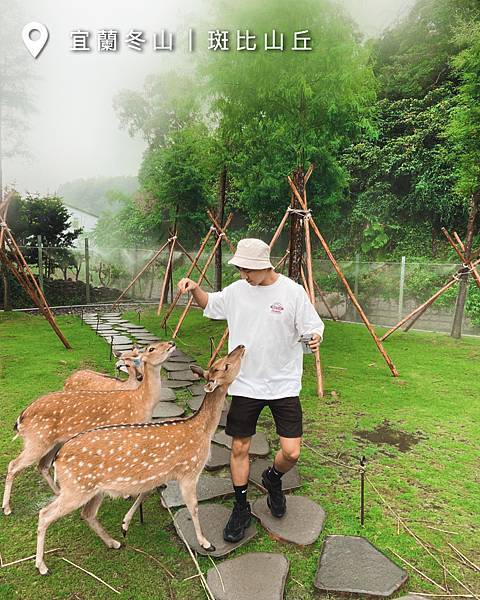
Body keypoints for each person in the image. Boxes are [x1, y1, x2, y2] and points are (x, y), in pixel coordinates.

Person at [178, 238, 324, 542]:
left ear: (264, 266)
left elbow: (314, 326)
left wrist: (314, 338)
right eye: (241, 269)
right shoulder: (237, 291)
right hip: (245, 384)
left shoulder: (291, 292)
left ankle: (273, 478)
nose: (243, 274)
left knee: (291, 451)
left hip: (283, 383)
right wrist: (194, 289)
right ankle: (241, 506)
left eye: (247, 269)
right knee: (239, 447)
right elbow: (209, 303)